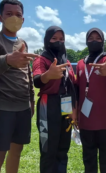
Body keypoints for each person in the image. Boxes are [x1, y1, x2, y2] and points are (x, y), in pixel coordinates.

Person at [0, 0, 38, 173]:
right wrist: (7, 59)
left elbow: (27, 73)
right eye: (9, 14)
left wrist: (31, 100)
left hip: (23, 107)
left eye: (18, 15)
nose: (14, 18)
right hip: (2, 108)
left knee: (16, 151)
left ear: (23, 19)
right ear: (0, 17)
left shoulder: (23, 43)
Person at [76, 28, 106, 173]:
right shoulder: (80, 64)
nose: (94, 41)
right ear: (86, 41)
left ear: (102, 41)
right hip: (85, 117)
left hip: (104, 118)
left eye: (98, 38)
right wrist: (75, 112)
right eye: (91, 38)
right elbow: (77, 90)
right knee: (88, 156)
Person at [32, 26, 77, 173]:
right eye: (54, 38)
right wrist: (48, 75)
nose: (58, 42)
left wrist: (73, 109)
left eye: (61, 39)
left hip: (66, 104)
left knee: (63, 147)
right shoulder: (41, 59)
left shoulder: (67, 61)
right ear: (47, 40)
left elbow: (73, 85)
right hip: (48, 104)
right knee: (48, 148)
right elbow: (37, 81)